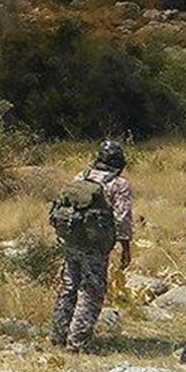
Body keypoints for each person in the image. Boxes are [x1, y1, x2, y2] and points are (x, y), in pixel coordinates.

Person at [50, 140, 134, 353]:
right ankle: (77, 343)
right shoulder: (119, 184)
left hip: (72, 241)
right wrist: (125, 248)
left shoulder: (81, 176)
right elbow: (122, 219)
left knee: (69, 287)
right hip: (95, 246)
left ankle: (58, 336)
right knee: (91, 290)